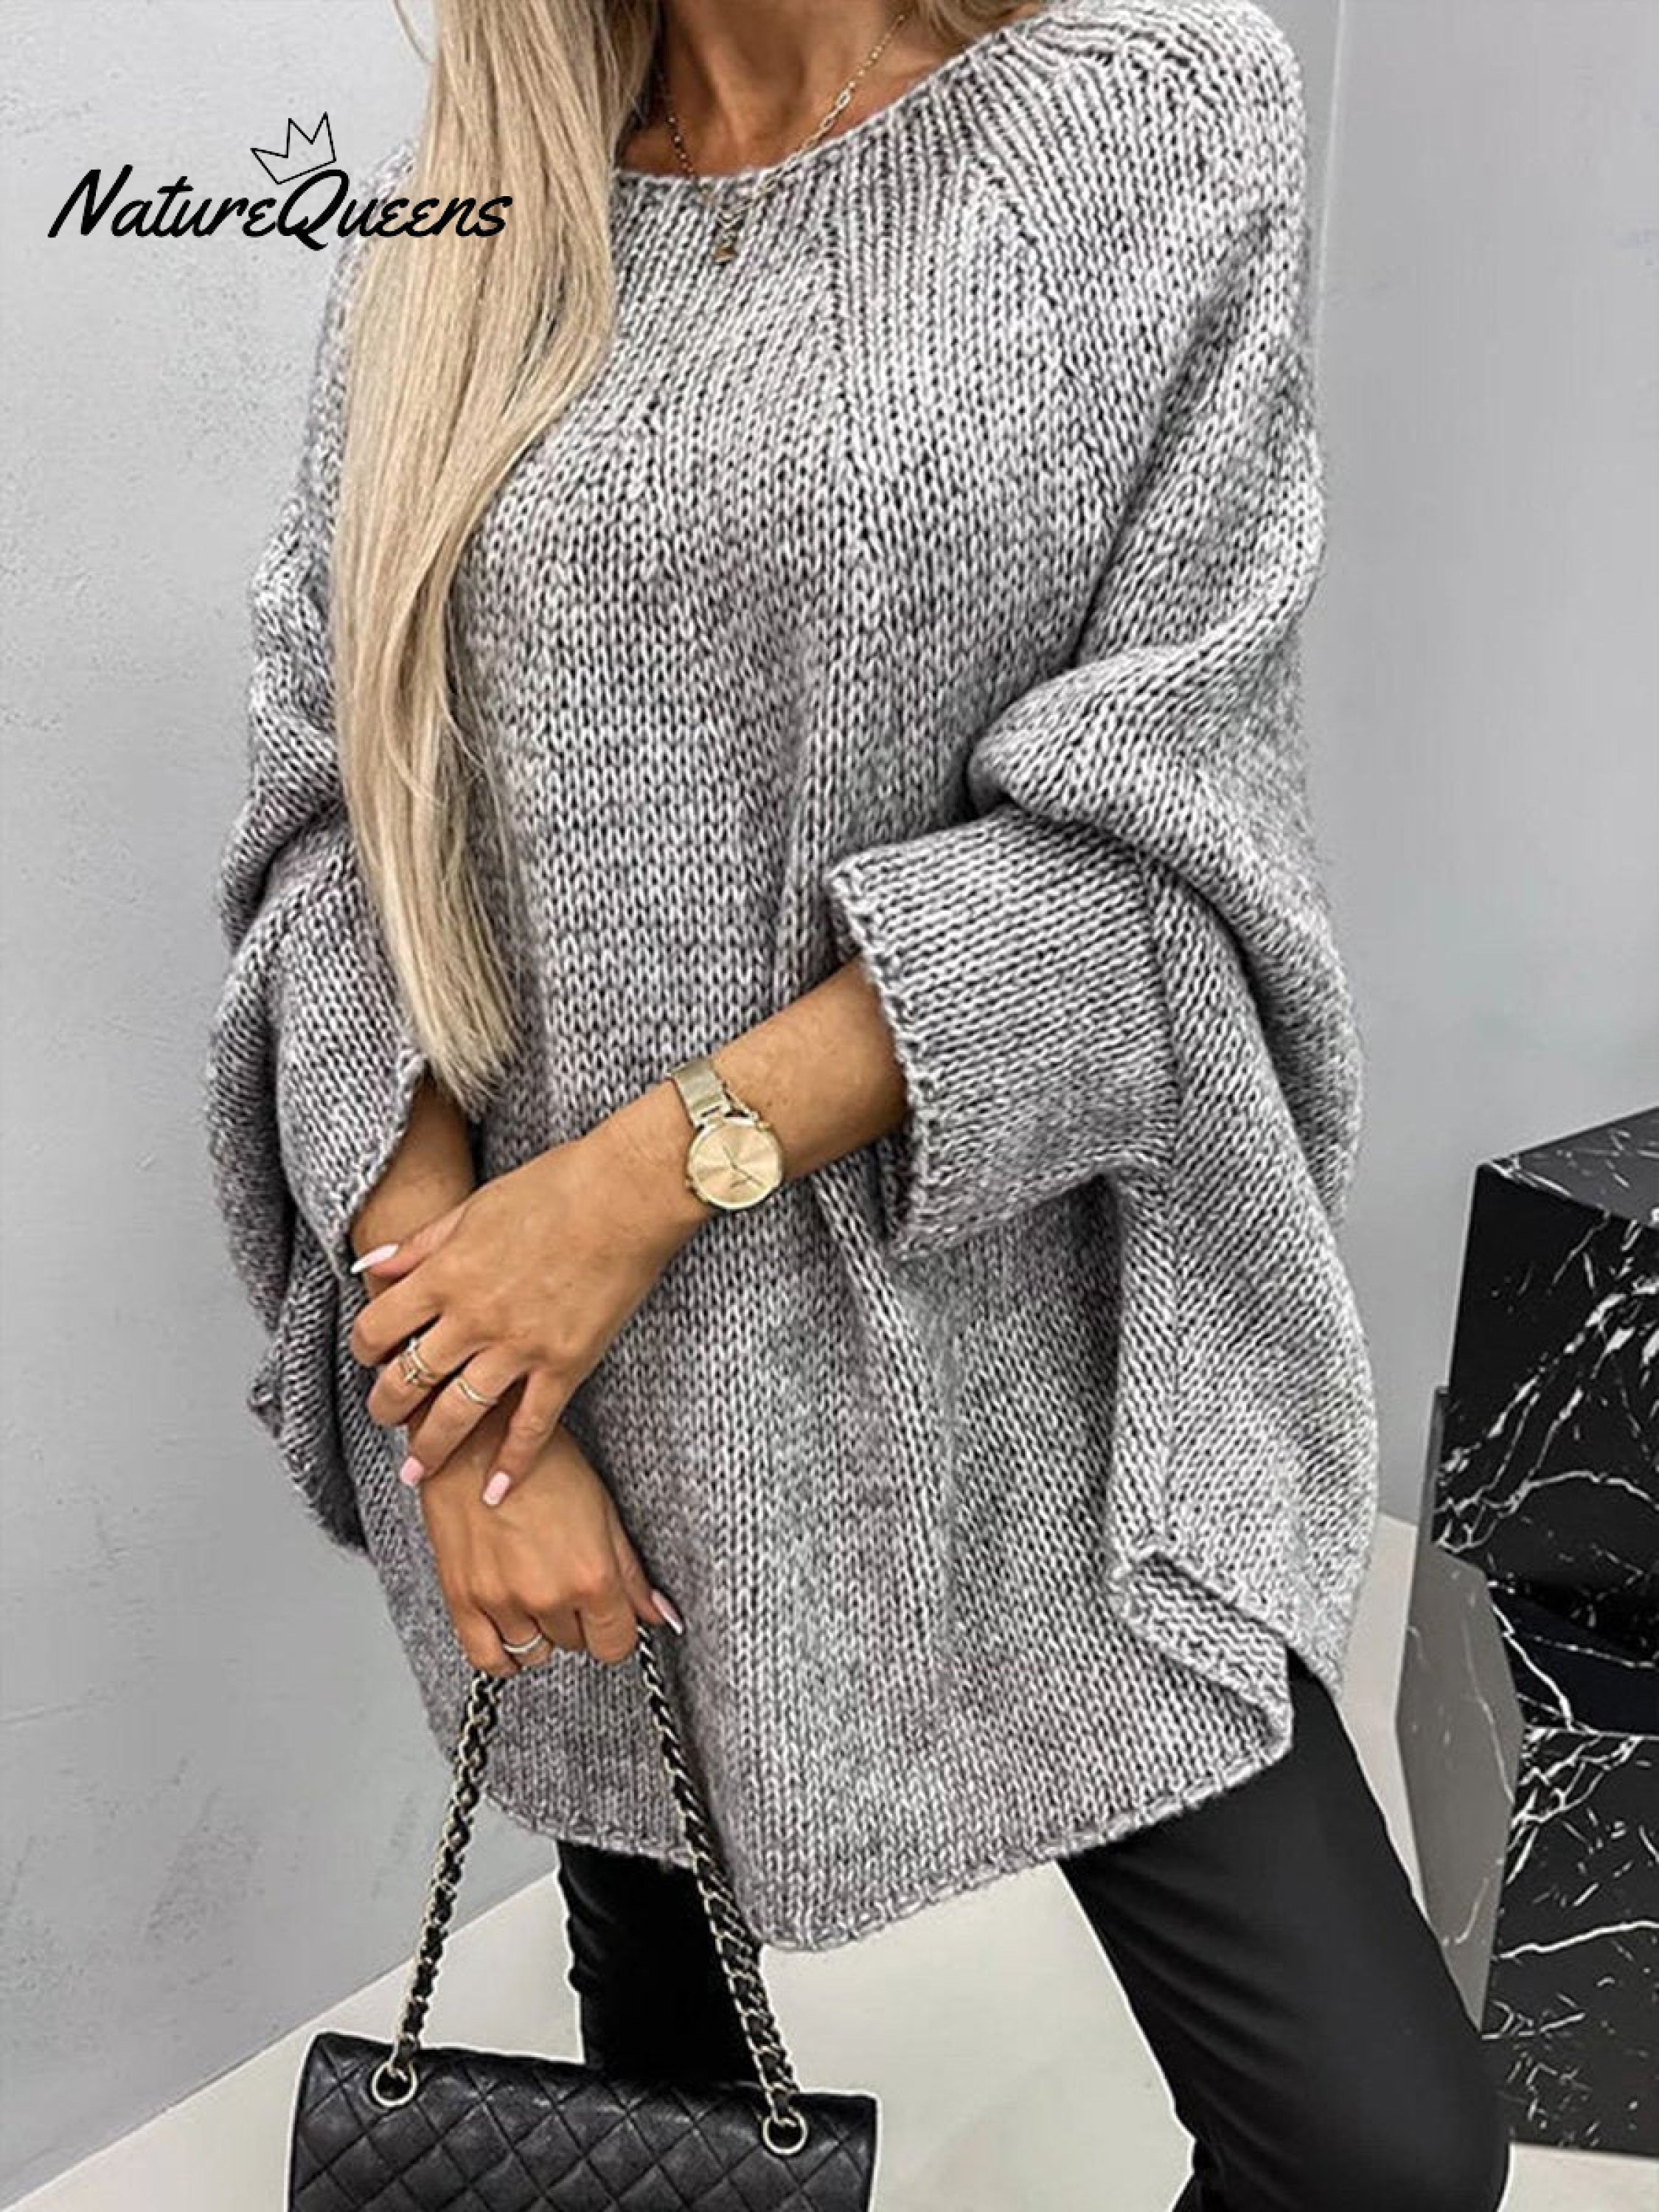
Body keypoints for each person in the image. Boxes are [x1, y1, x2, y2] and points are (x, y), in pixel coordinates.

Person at [203, 1, 1512, 2203]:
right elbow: (337, 830)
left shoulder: (1158, 116)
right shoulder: (468, 212)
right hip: (572, 1398)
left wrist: (639, 1183)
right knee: (672, 2115)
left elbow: (1162, 847)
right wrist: (465, 1401)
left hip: (1042, 1366)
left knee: (1378, 2150)